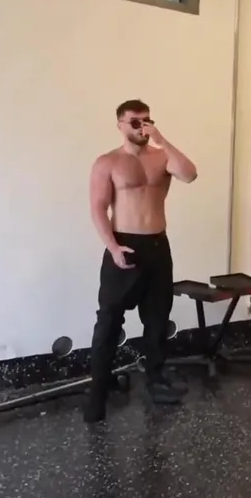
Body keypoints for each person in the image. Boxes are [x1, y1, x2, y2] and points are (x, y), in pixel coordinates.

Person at [84, 99, 199, 423]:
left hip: (157, 245)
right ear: (120, 125)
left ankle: (156, 380)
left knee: (157, 319)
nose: (142, 127)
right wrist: (113, 247)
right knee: (109, 320)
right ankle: (98, 390)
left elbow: (190, 174)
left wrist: (162, 139)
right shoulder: (108, 162)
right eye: (135, 122)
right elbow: (98, 208)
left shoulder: (162, 157)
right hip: (125, 244)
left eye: (147, 120)